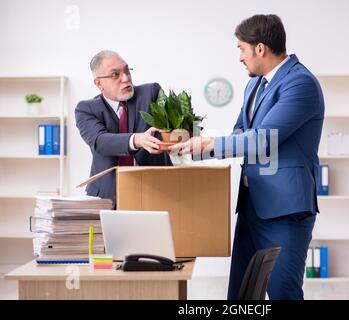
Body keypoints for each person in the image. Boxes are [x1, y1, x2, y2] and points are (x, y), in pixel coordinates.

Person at [170, 15, 324, 300]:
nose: (240, 57)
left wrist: (207, 145)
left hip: (285, 211)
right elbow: (241, 133)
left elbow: (263, 139)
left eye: (241, 48)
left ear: (260, 48)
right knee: (240, 295)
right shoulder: (255, 85)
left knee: (283, 293)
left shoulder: (300, 84)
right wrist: (191, 144)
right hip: (252, 206)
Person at [75, 50, 171, 207]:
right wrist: (137, 139)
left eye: (127, 71)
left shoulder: (151, 93)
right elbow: (100, 142)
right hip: (108, 197)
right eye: (115, 74)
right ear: (99, 83)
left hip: (158, 190)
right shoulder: (86, 109)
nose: (126, 78)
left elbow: (173, 127)